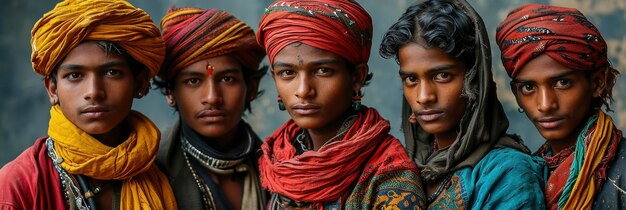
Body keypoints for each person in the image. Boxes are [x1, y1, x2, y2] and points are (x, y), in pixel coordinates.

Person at [0, 0, 177, 209]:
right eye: (75, 75)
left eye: (112, 73)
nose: (94, 92)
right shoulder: (17, 186)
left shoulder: (162, 172)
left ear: (139, 83)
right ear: (53, 89)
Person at [256, 0, 426, 209]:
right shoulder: (274, 159)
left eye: (323, 71)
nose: (303, 90)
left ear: (356, 77)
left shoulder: (389, 173)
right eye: (287, 73)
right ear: (275, 78)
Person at [380, 0, 547, 209]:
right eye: (411, 79)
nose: (423, 97)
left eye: (442, 76)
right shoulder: (404, 166)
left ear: (475, 79)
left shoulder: (507, 173)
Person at [496, 3, 626, 209]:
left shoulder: (621, 172)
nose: (546, 104)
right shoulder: (522, 175)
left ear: (597, 83)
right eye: (528, 87)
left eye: (562, 82)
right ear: (516, 94)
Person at [153, 6, 268, 210]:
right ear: (171, 92)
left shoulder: (280, 166)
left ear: (251, 88)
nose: (212, 98)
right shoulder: (153, 174)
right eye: (193, 81)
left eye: (227, 79)